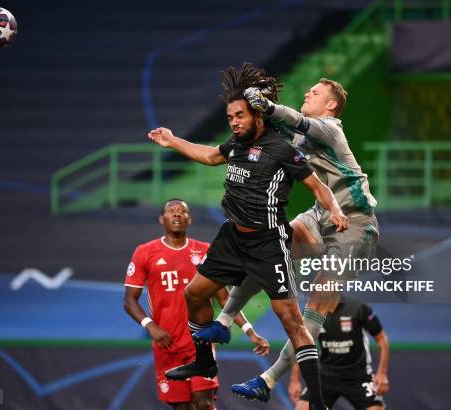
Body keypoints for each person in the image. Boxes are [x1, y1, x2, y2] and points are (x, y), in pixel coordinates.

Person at [147, 63, 349, 410]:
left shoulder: (282, 149)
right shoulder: (236, 143)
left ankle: (317, 402)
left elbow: (317, 186)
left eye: (240, 115)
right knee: (193, 295)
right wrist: (173, 141)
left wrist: (335, 209)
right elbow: (210, 156)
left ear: (257, 114)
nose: (235, 122)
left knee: (292, 322)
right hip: (232, 238)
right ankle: (204, 362)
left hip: (268, 243)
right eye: (229, 117)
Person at [193, 77, 380, 402]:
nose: (309, 93)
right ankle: (223, 321)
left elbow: (295, 118)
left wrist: (269, 106)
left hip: (355, 224)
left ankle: (268, 378)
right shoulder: (296, 135)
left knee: (315, 307)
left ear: (331, 104)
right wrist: (256, 105)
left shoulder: (330, 127)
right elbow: (267, 133)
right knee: (269, 247)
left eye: (316, 92)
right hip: (320, 214)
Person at [123, 198, 270, 410]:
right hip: (167, 343)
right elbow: (129, 300)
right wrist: (151, 327)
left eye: (181, 211)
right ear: (161, 219)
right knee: (181, 406)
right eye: (171, 211)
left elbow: (224, 297)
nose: (176, 214)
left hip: (199, 342)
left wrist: (249, 331)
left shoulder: (205, 251)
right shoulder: (145, 252)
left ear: (189, 220)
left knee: (204, 403)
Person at [289, 295, 389, 410]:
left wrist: (382, 373)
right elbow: (301, 345)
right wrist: (294, 380)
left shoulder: (358, 308)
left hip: (358, 376)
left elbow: (382, 340)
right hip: (326, 376)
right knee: (302, 408)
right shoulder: (311, 312)